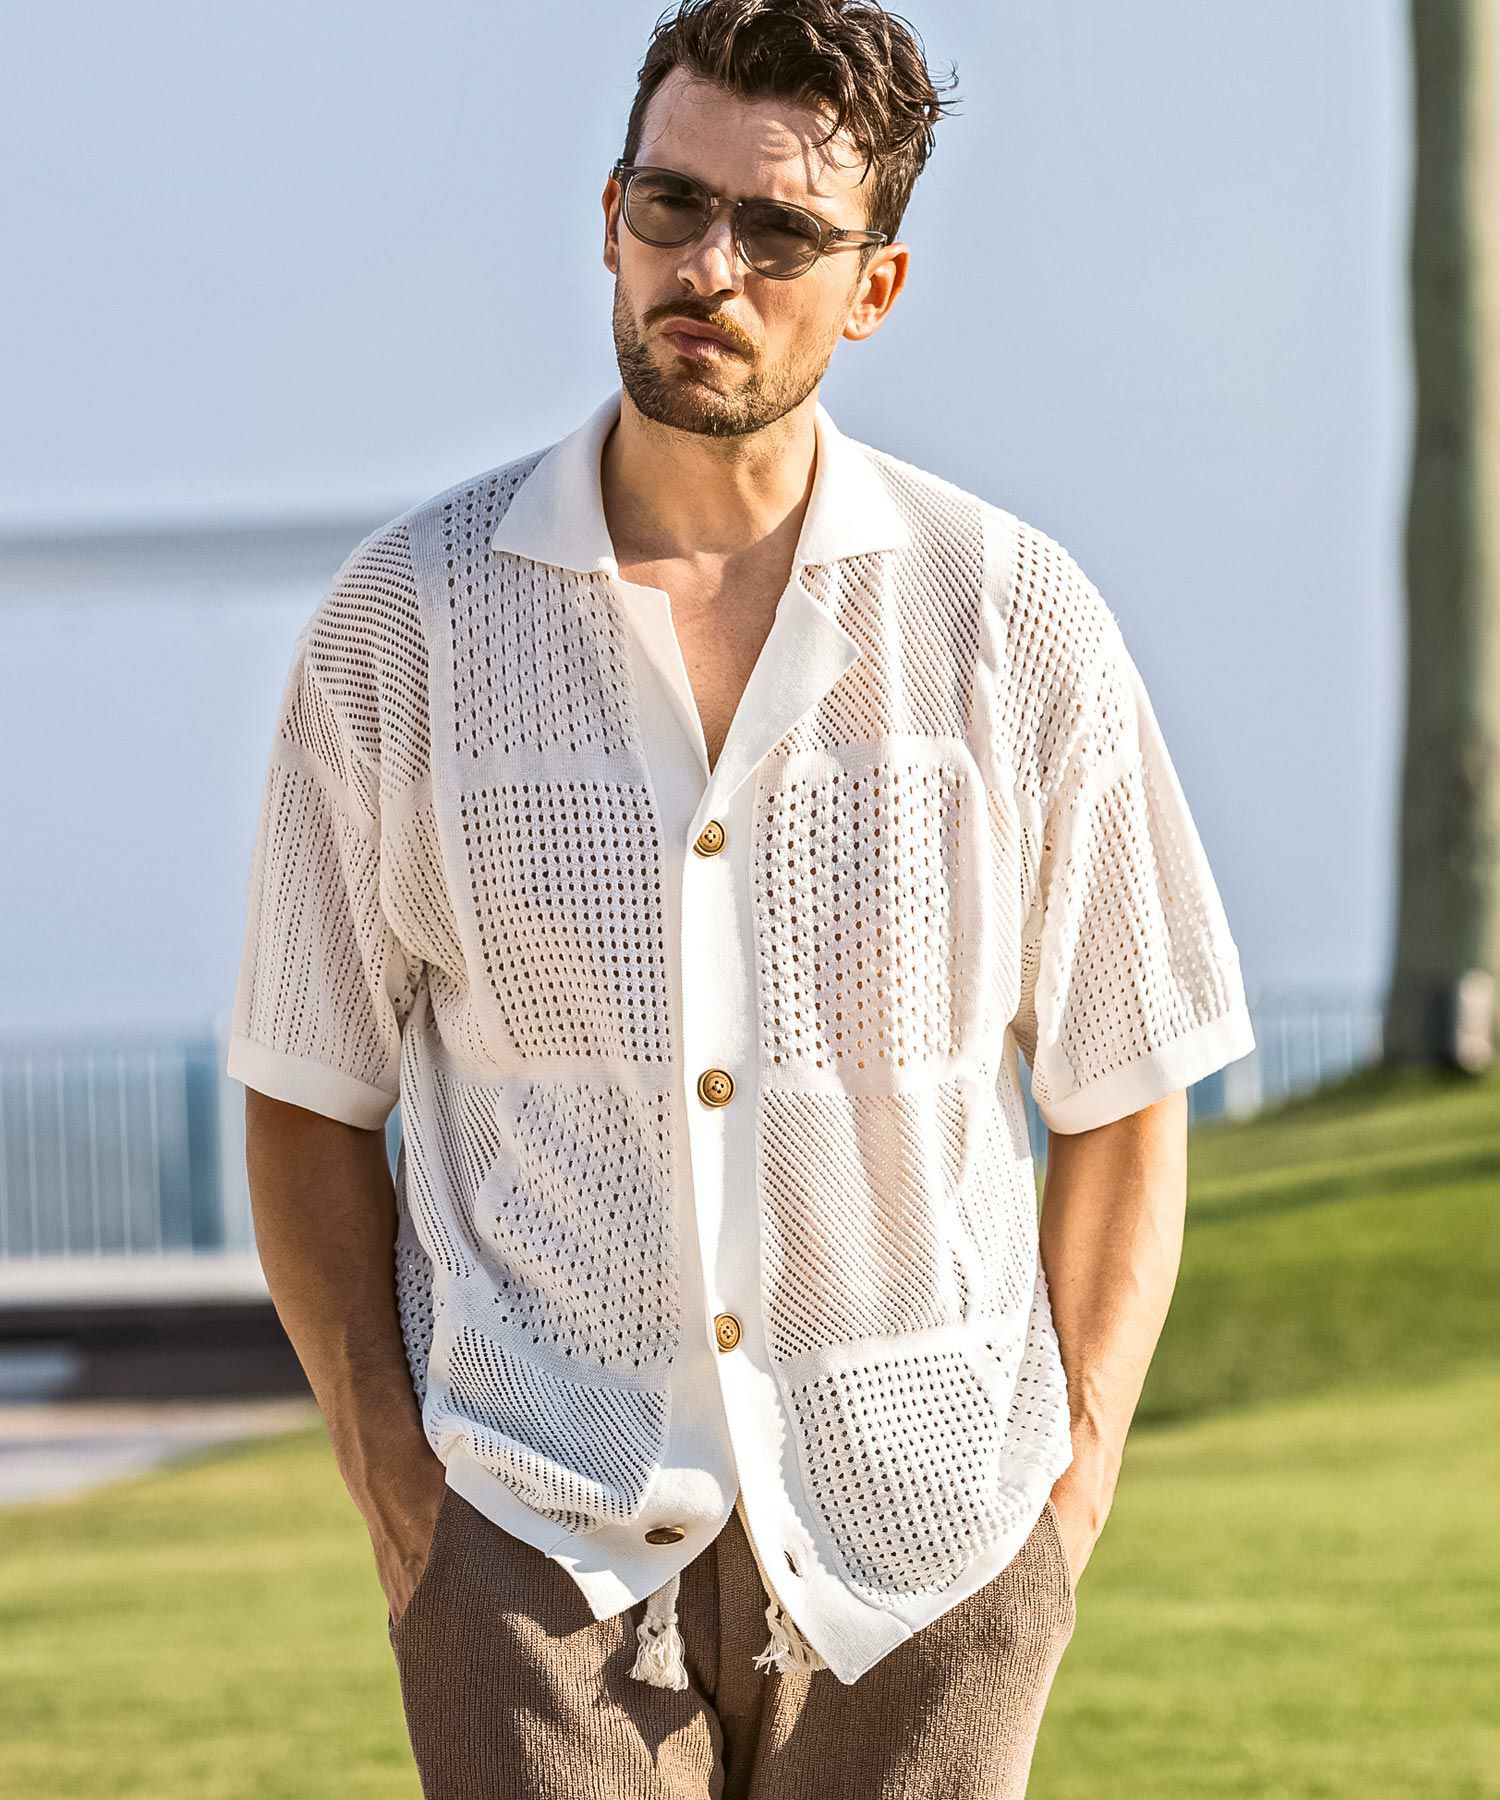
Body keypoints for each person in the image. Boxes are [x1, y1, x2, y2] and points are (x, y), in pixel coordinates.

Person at [227, 2, 1256, 1794]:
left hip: (932, 1549)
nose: (709, 269)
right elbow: (308, 1088)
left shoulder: (1010, 622)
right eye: (673, 206)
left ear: (876, 288)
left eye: (780, 233)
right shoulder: (407, 627)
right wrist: (399, 1488)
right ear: (608, 217)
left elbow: (1125, 1081)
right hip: (530, 1540)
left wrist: (1072, 1485)